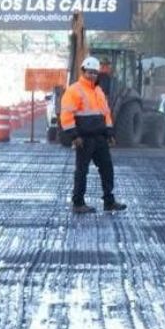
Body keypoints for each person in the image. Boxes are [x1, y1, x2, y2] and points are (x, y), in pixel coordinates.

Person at [59, 56, 126, 214]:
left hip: (99, 137)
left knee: (107, 168)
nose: (92, 75)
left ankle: (109, 201)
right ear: (83, 71)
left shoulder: (98, 91)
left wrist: (109, 132)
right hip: (84, 138)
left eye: (95, 73)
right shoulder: (74, 90)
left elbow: (106, 114)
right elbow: (66, 115)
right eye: (90, 72)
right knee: (82, 170)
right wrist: (74, 136)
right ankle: (78, 203)